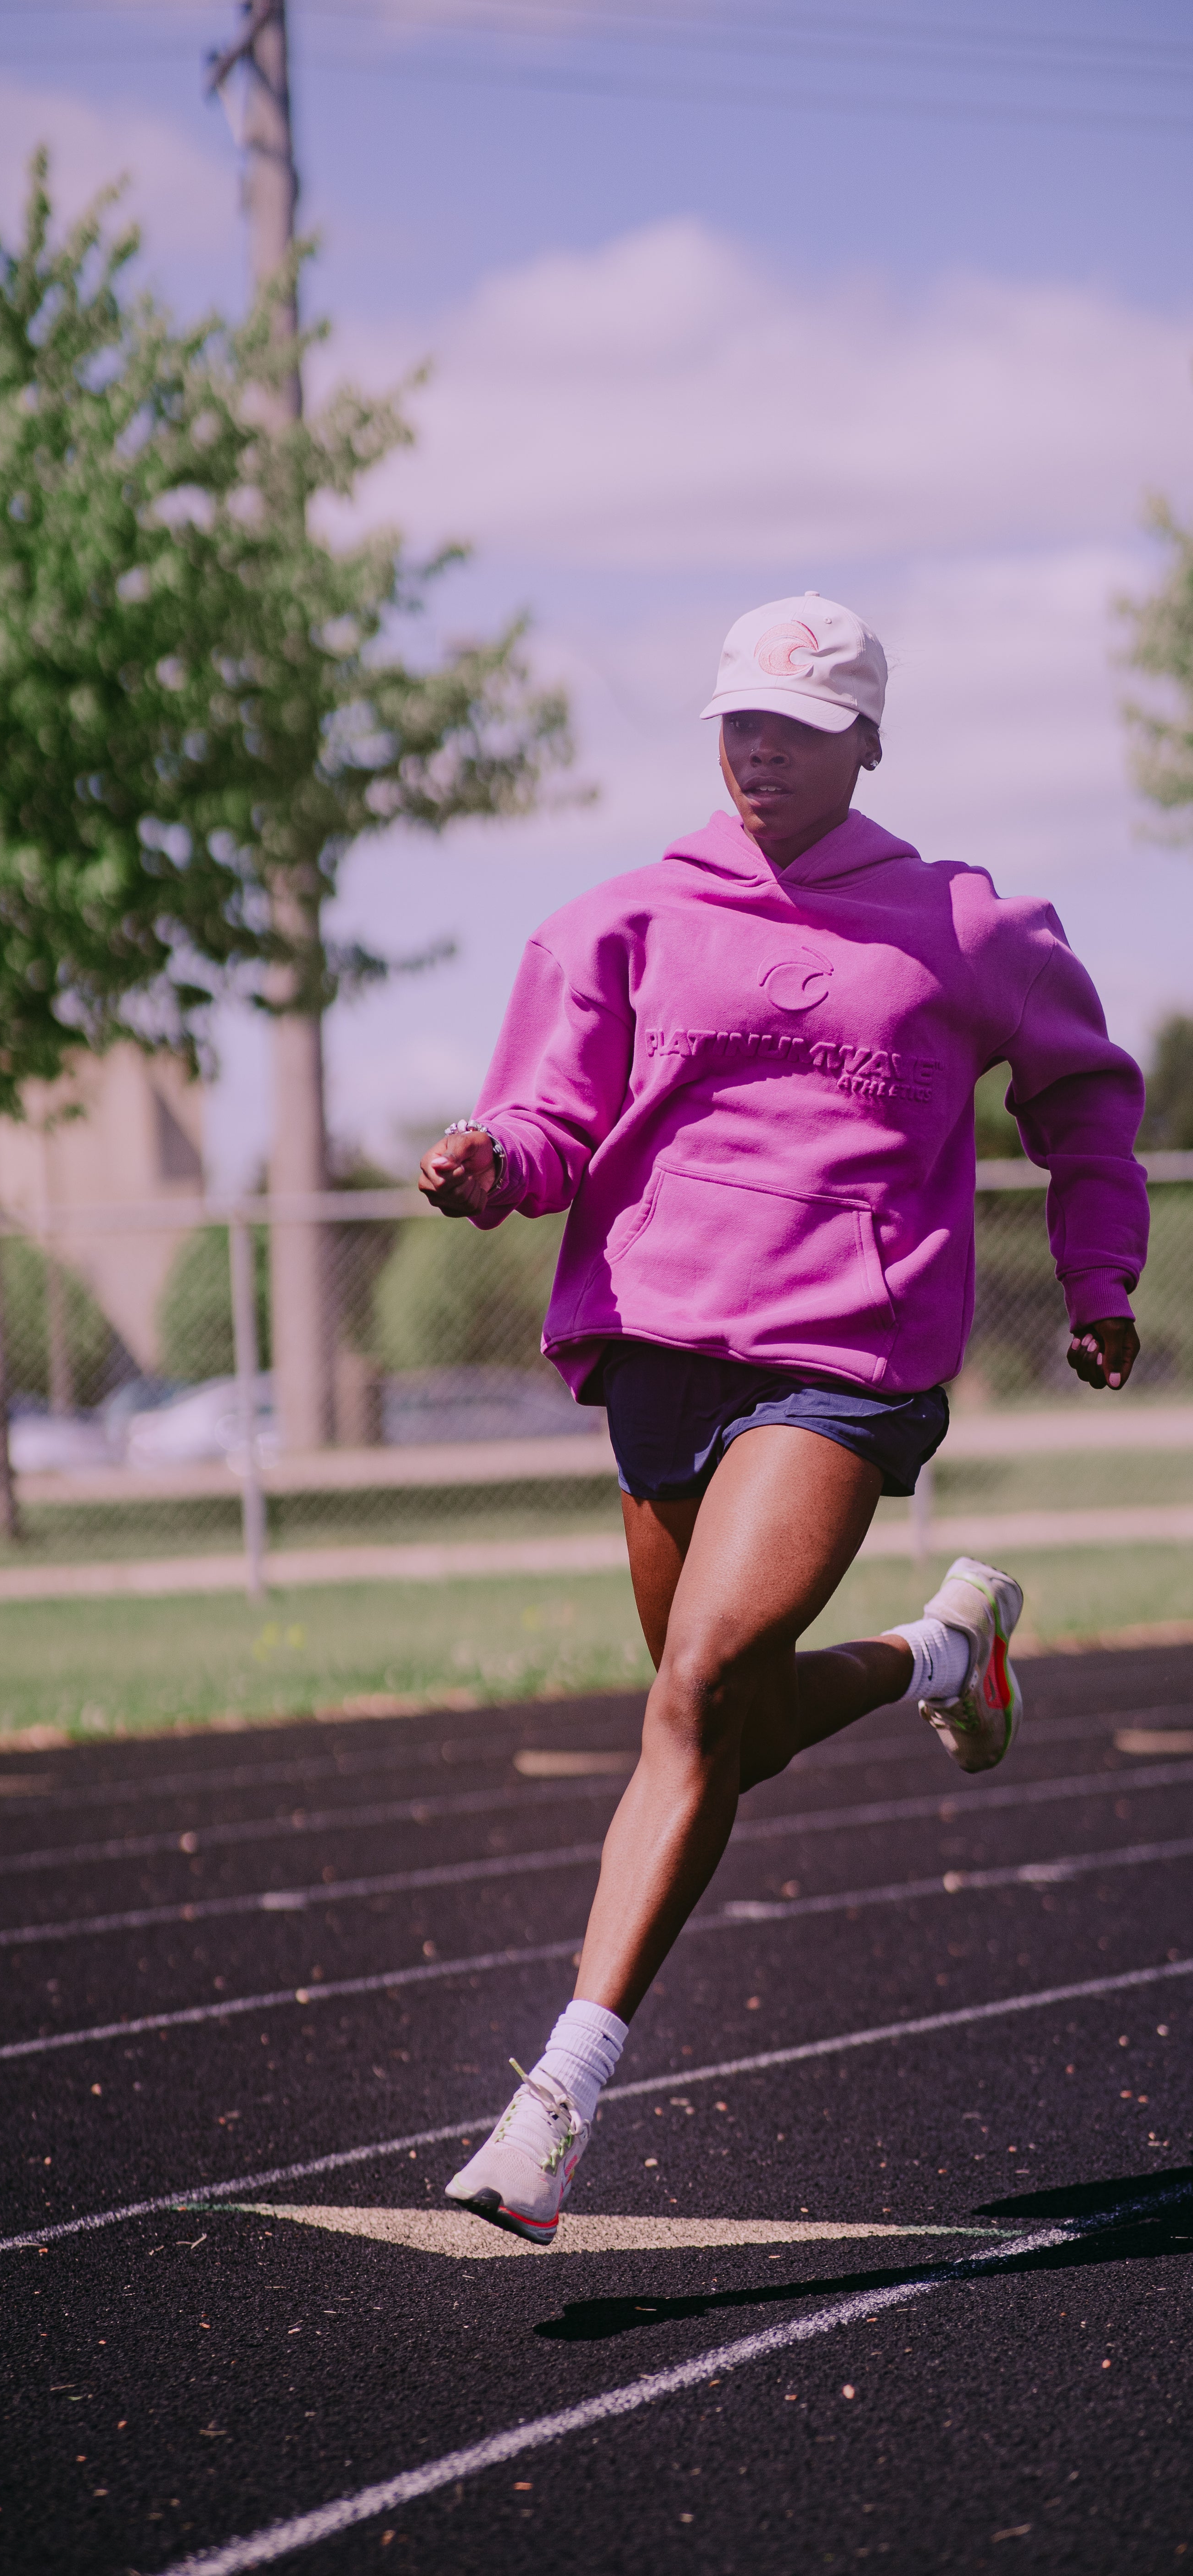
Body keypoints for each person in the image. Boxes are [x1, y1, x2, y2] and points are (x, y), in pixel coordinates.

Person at [419, 591, 1148, 2245]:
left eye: (799, 730)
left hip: (843, 1357)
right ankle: (941, 1656)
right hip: (657, 1350)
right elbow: (550, 1120)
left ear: (867, 742)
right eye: (740, 723)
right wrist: (491, 1168)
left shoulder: (967, 926)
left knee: (692, 1696)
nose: (760, 754)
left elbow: (1086, 1094)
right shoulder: (627, 918)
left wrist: (1100, 1274)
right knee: (725, 1728)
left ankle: (556, 2101)